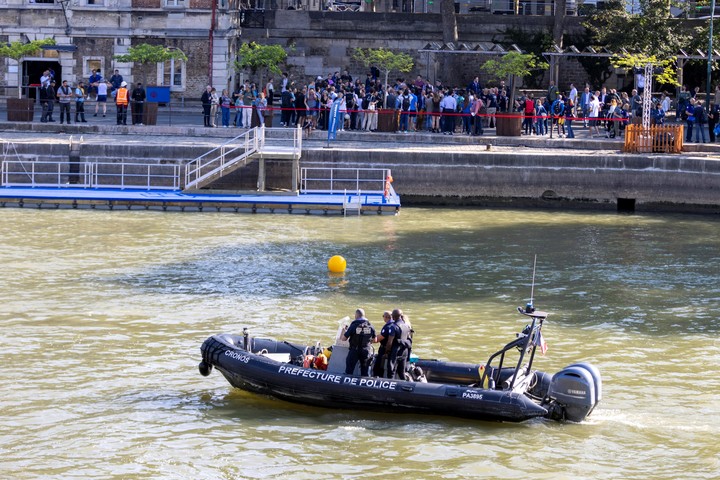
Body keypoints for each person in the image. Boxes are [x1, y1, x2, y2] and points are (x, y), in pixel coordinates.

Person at [342, 308, 376, 376]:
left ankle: (347, 385)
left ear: (356, 315)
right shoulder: (371, 326)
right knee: (365, 372)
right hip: (366, 351)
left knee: (349, 371)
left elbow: (344, 339)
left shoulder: (354, 325)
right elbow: (375, 340)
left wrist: (345, 331)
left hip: (354, 350)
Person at [387, 309, 412, 380]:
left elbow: (389, 342)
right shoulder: (406, 326)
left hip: (396, 352)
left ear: (393, 317)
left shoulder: (393, 326)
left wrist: (387, 351)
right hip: (404, 351)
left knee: (391, 372)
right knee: (401, 372)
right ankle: (404, 386)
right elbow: (408, 339)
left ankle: (390, 387)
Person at [372, 311, 396, 377]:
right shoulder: (395, 325)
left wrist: (368, 340)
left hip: (384, 349)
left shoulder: (387, 327)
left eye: (383, 316)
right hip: (393, 349)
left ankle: (378, 378)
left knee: (378, 367)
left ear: (385, 317)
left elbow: (378, 339)